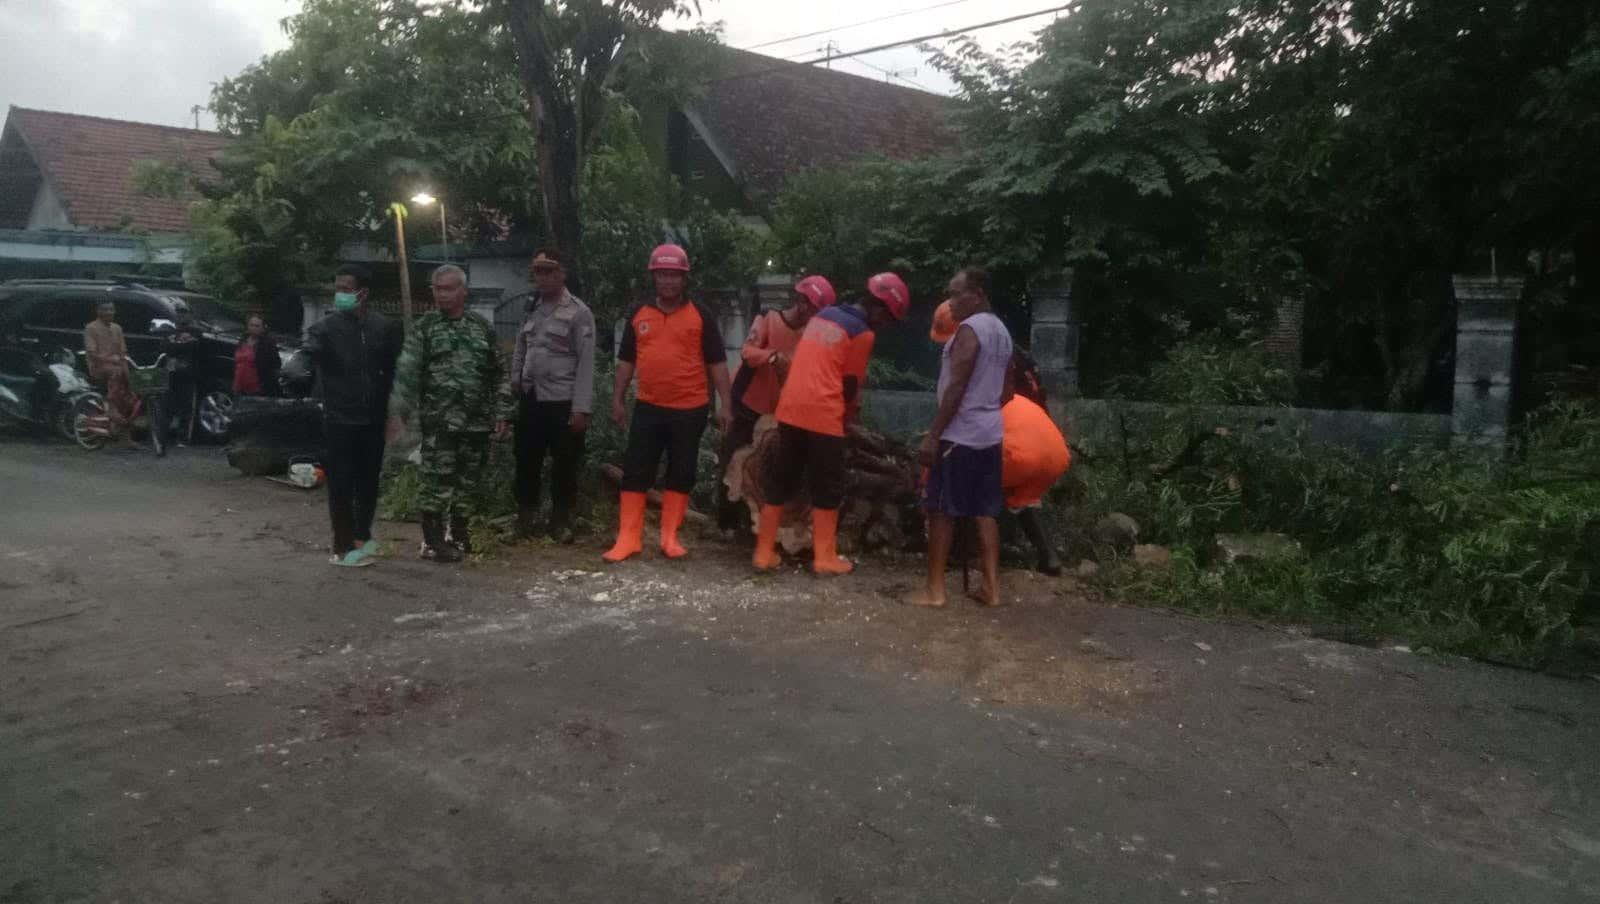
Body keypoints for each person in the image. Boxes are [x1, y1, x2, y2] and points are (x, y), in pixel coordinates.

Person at [750, 273, 910, 574]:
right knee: (828, 487)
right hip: (822, 414)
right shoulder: (863, 333)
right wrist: (846, 420)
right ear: (878, 309)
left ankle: (763, 553)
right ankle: (824, 559)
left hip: (790, 409)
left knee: (781, 481)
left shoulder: (823, 316)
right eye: (887, 318)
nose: (885, 325)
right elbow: (849, 387)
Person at [602, 243, 733, 563]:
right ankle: (628, 538)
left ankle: (669, 538)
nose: (669, 281)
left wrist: (726, 405)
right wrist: (618, 399)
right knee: (635, 470)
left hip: (690, 408)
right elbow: (626, 361)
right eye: (663, 275)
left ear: (684, 278)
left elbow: (717, 363)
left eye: (674, 276)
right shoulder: (639, 313)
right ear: (654, 277)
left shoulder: (700, 315)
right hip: (648, 405)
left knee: (682, 471)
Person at [931, 304, 1069, 576]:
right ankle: (1049, 557)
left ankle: (959, 555)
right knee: (1022, 498)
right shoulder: (1004, 354)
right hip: (1054, 449)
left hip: (1015, 446)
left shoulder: (971, 376)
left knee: (963, 484)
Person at [387, 264, 510, 564]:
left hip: (476, 422)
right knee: (436, 481)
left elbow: (499, 373)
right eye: (438, 289)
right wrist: (397, 412)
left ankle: (460, 533)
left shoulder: (481, 328)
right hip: (439, 422)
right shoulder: (426, 328)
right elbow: (407, 371)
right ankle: (433, 541)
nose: (443, 295)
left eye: (449, 288)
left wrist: (503, 412)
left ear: (464, 291)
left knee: (469, 482)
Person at [907, 267, 1014, 608]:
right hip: (989, 432)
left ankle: (935, 590)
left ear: (978, 293)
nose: (950, 302)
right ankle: (992, 588)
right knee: (985, 510)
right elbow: (1008, 390)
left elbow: (956, 388)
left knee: (940, 510)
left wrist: (934, 435)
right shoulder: (1002, 332)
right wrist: (985, 408)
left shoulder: (970, 330)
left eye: (957, 294)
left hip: (960, 435)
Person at [304, 264, 404, 568]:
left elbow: (395, 373)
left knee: (369, 482)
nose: (340, 295)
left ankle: (362, 537)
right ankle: (342, 546)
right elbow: (310, 353)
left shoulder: (384, 328)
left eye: (346, 289)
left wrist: (395, 413)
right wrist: (299, 364)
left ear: (363, 293)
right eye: (337, 289)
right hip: (339, 419)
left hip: (373, 419)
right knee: (342, 484)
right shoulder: (325, 329)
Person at [717, 275, 836, 528]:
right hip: (748, 401)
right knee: (733, 458)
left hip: (778, 410)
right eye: (814, 308)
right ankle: (724, 522)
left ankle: (756, 523)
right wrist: (772, 357)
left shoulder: (810, 334)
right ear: (802, 302)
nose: (816, 315)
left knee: (767, 467)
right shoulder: (768, 319)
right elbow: (748, 352)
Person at [509, 249, 596, 543]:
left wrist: (581, 408)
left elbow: (586, 362)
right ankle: (525, 519)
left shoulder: (578, 312)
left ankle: (560, 521)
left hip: (563, 400)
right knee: (526, 461)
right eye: (538, 271)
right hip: (531, 397)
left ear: (563, 273)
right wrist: (515, 376)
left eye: (549, 271)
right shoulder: (530, 305)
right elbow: (522, 344)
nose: (543, 277)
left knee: (564, 464)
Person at [82, 301, 135, 444]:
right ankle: (111, 406)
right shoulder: (91, 328)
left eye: (111, 309)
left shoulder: (117, 328)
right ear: (98, 311)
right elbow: (92, 352)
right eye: (105, 309)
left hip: (117, 365)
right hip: (100, 366)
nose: (109, 312)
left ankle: (126, 436)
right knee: (116, 374)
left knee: (131, 392)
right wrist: (111, 360)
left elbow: (123, 351)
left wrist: (125, 367)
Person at [233, 315, 281, 398]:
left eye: (257, 326)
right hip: (239, 383)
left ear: (262, 328)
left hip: (257, 386)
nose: (254, 328)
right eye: (252, 325)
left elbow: (275, 364)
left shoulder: (267, 344)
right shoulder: (243, 340)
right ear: (247, 326)